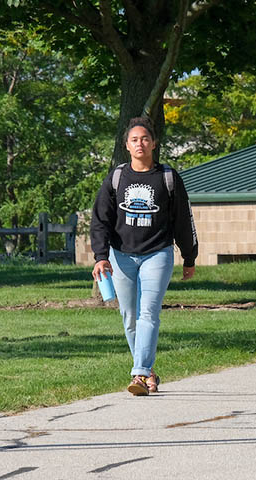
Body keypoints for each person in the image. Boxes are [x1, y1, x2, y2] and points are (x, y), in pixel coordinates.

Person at [90, 117, 198, 395]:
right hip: (121, 256)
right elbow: (100, 218)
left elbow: (183, 220)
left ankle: (138, 374)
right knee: (129, 316)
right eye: (134, 139)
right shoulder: (117, 177)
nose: (140, 143)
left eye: (145, 139)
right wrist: (100, 256)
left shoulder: (168, 177)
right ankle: (148, 371)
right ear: (127, 145)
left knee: (148, 312)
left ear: (154, 143)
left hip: (157, 253)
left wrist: (189, 256)